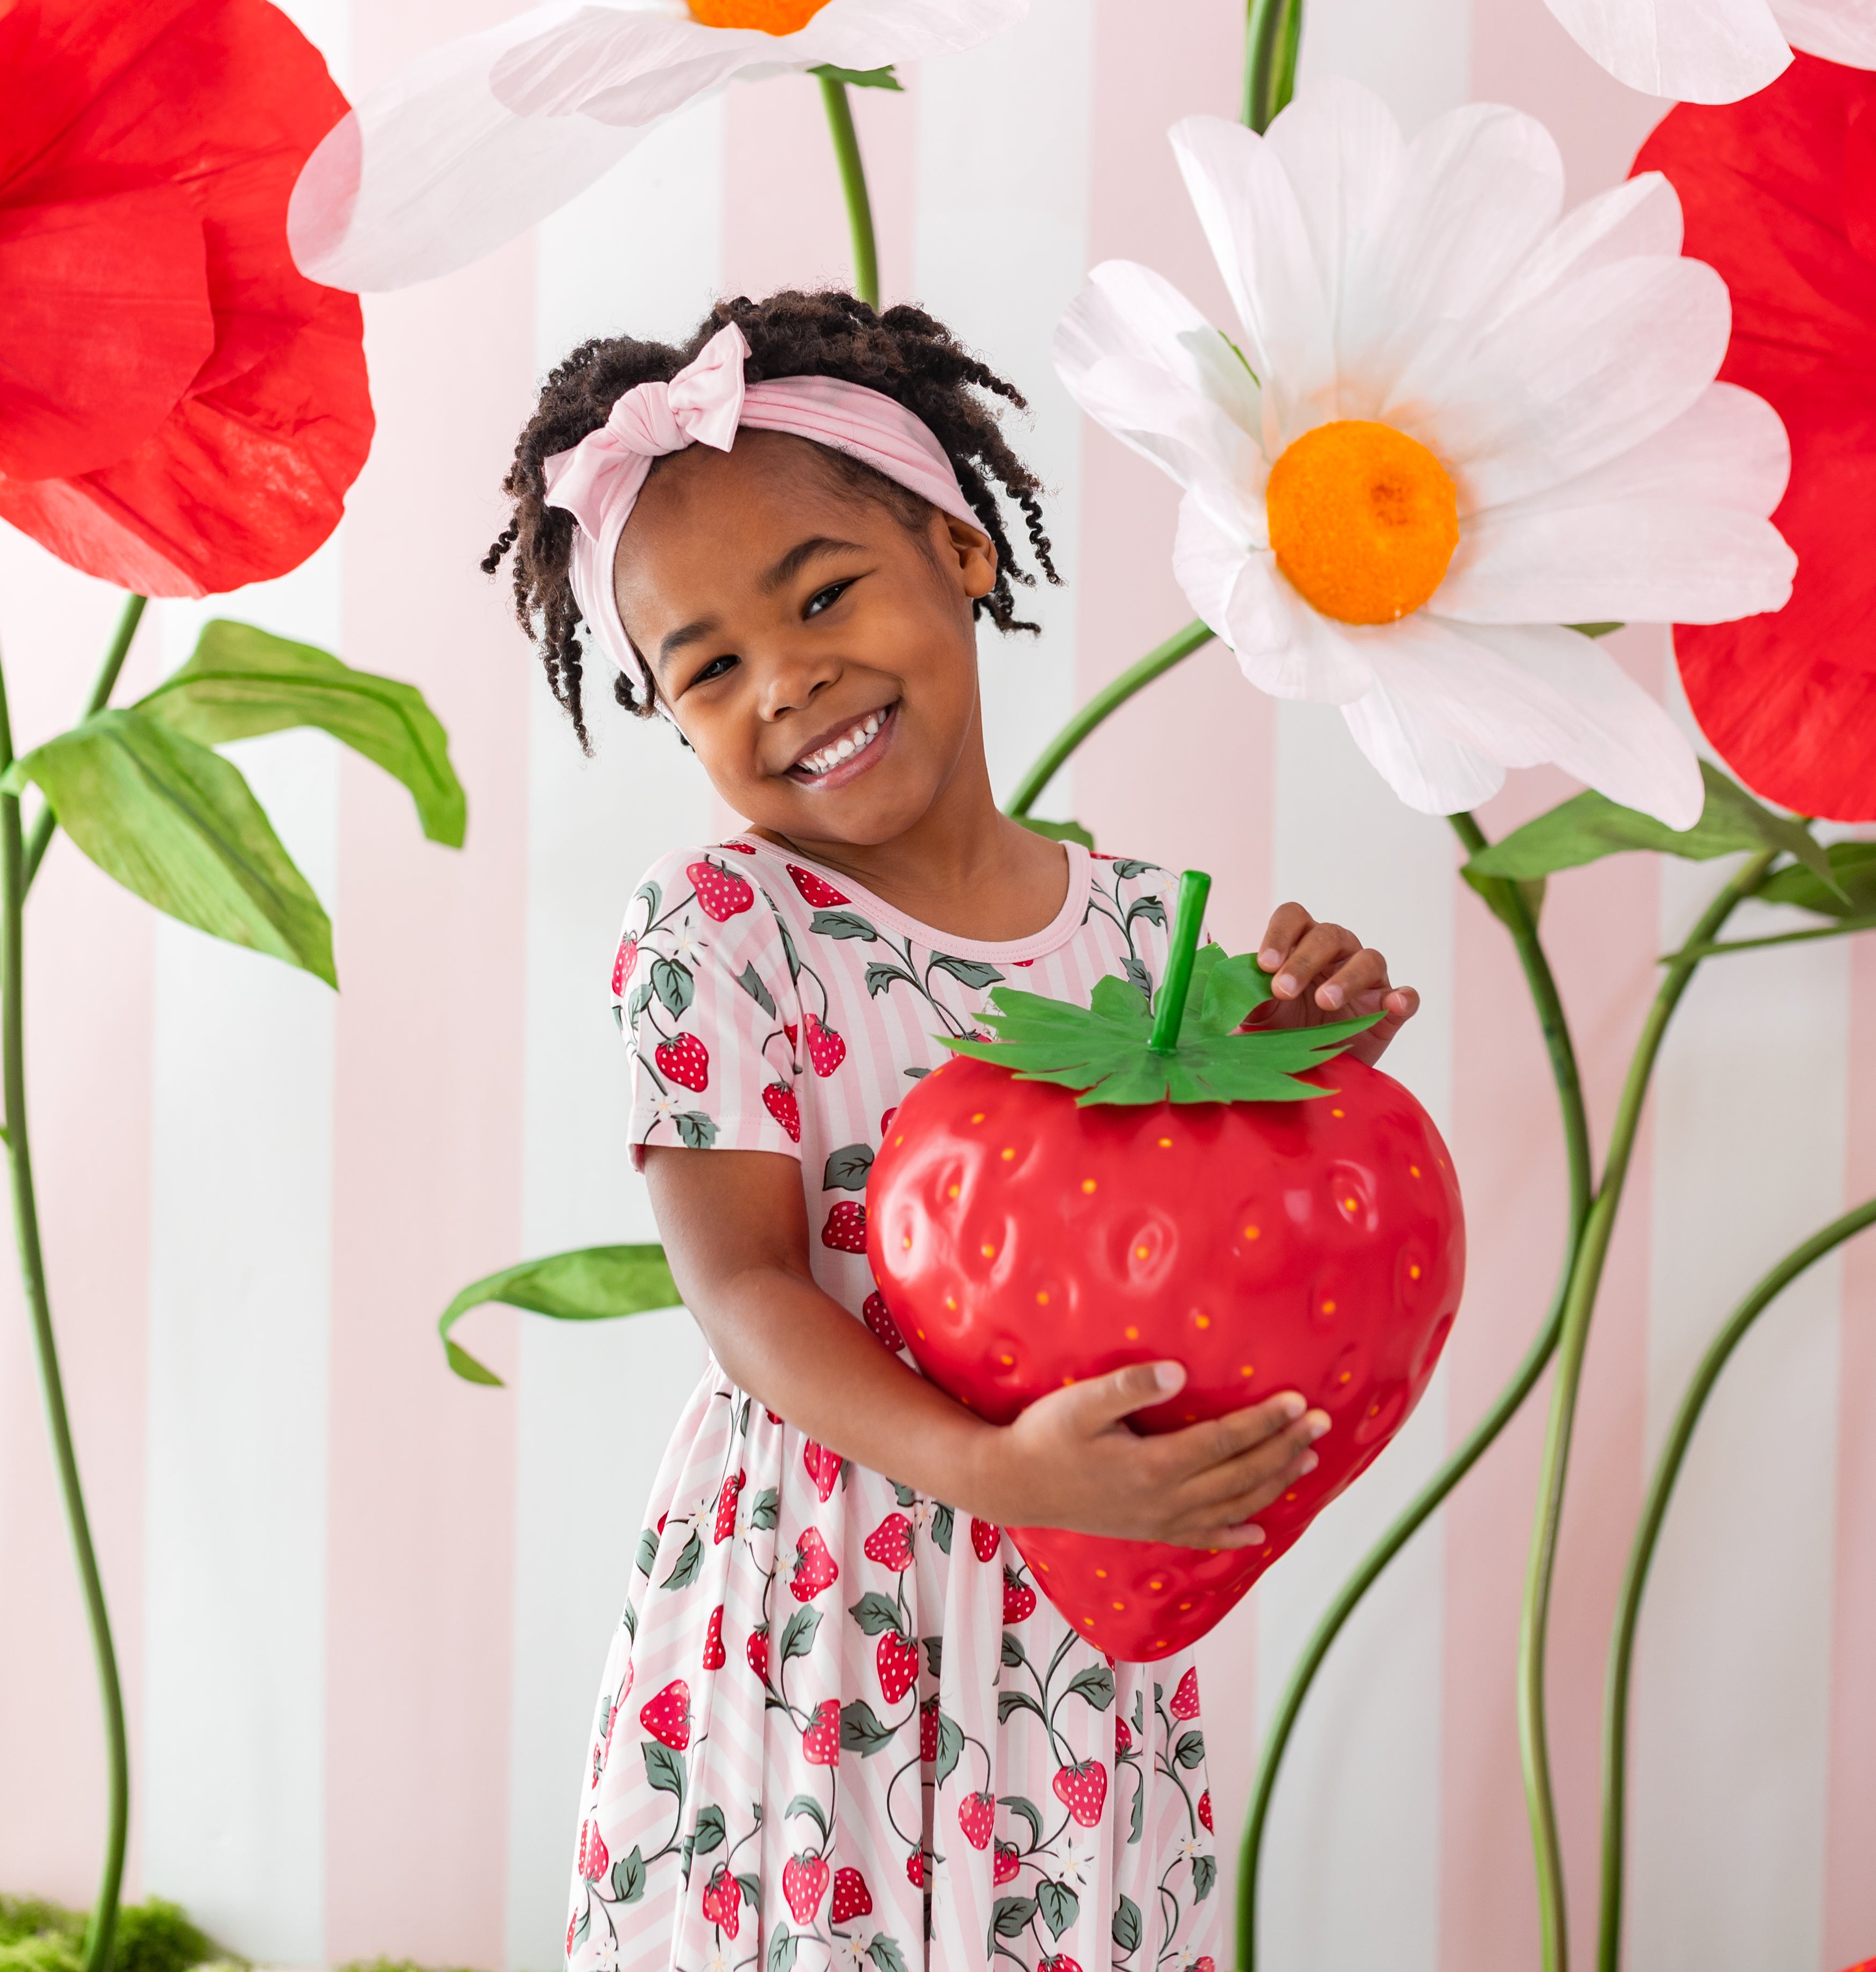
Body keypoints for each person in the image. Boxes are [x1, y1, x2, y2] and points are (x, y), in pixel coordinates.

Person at [486, 290, 1421, 1972]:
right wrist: (990, 1471)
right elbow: (748, 1292)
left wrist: (1293, 1061)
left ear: (961, 548)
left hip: (1072, 1622)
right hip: (820, 1619)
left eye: (826, 593)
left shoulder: (1149, 934)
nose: (789, 681)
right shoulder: (717, 928)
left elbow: (1211, 1245)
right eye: (708, 670)